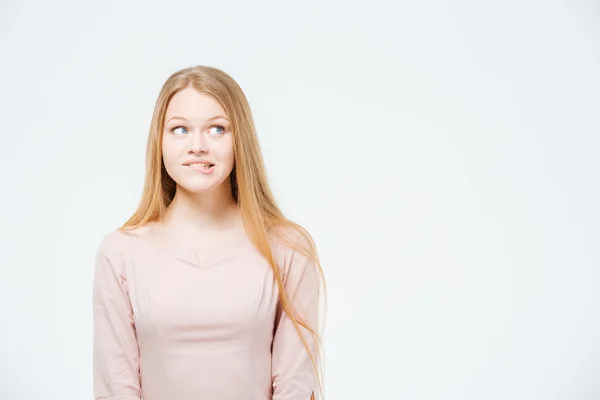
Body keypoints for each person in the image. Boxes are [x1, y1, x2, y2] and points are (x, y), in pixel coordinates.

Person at [92, 65, 325, 400]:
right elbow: (117, 388)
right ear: (159, 141)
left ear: (239, 138)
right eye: (180, 130)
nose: (197, 146)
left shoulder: (288, 248)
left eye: (217, 129)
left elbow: (295, 386)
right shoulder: (120, 252)